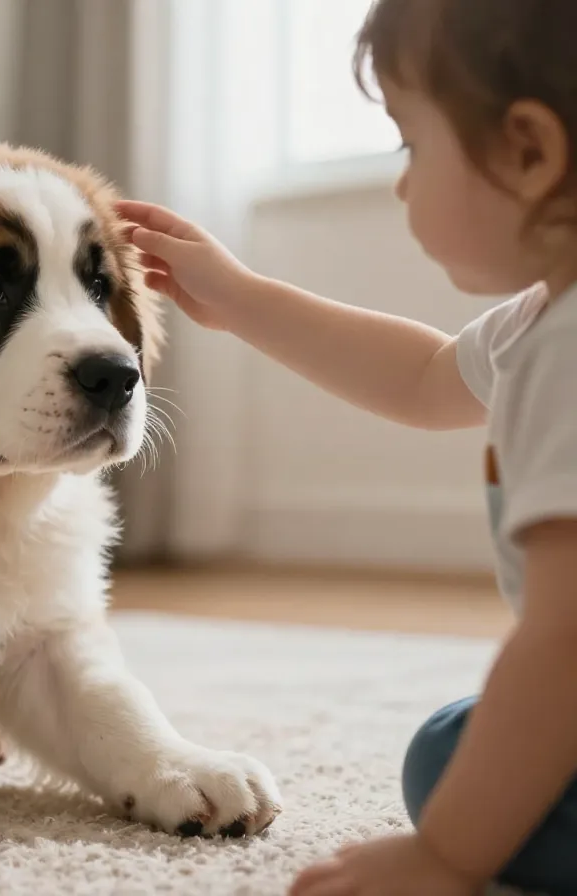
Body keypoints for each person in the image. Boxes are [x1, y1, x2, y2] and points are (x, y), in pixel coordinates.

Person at [116, 0, 577, 893]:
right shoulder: (539, 324)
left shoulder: (568, 352)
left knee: (452, 763)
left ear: (530, 152)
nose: (403, 185)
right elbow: (422, 377)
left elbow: (565, 641)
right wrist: (239, 295)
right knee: (474, 735)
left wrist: (445, 858)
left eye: (411, 144)